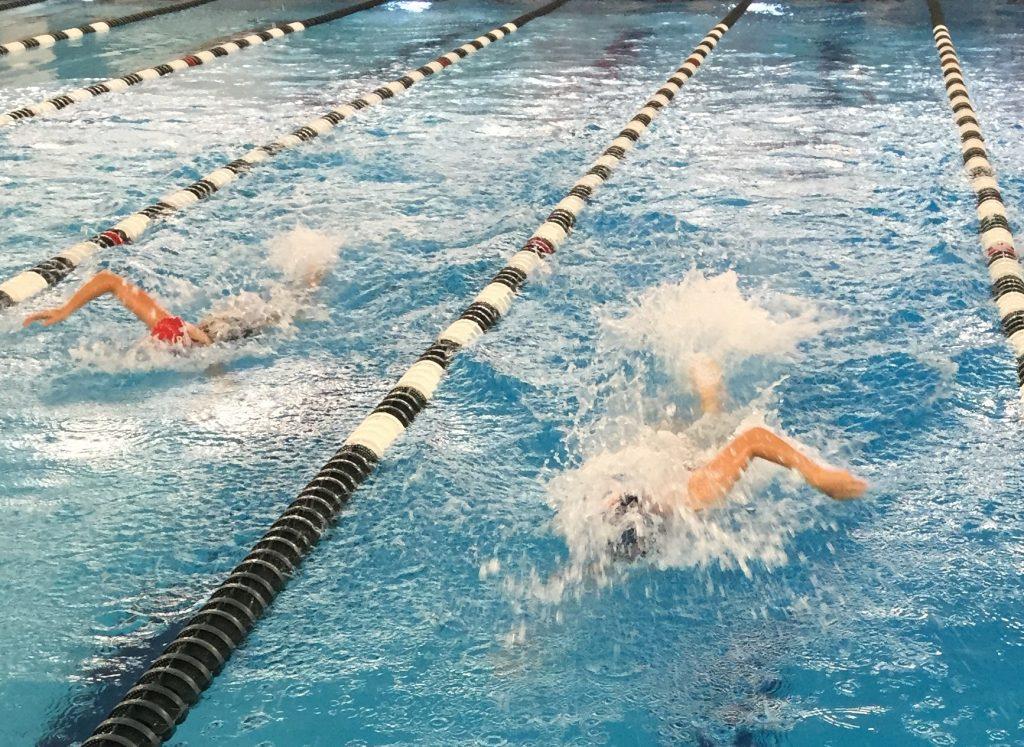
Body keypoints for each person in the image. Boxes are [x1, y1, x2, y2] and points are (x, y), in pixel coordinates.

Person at [605, 356, 866, 559]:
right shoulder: (611, 515)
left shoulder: (694, 496)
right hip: (655, 458)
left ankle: (702, 367)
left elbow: (754, 438)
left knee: (713, 419)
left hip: (685, 460)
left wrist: (818, 475)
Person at [22, 230, 338, 346]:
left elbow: (209, 355)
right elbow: (108, 279)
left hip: (246, 323)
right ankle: (314, 262)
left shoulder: (183, 338)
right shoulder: (171, 331)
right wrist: (63, 310)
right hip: (226, 323)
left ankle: (318, 264)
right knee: (291, 298)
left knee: (297, 303)